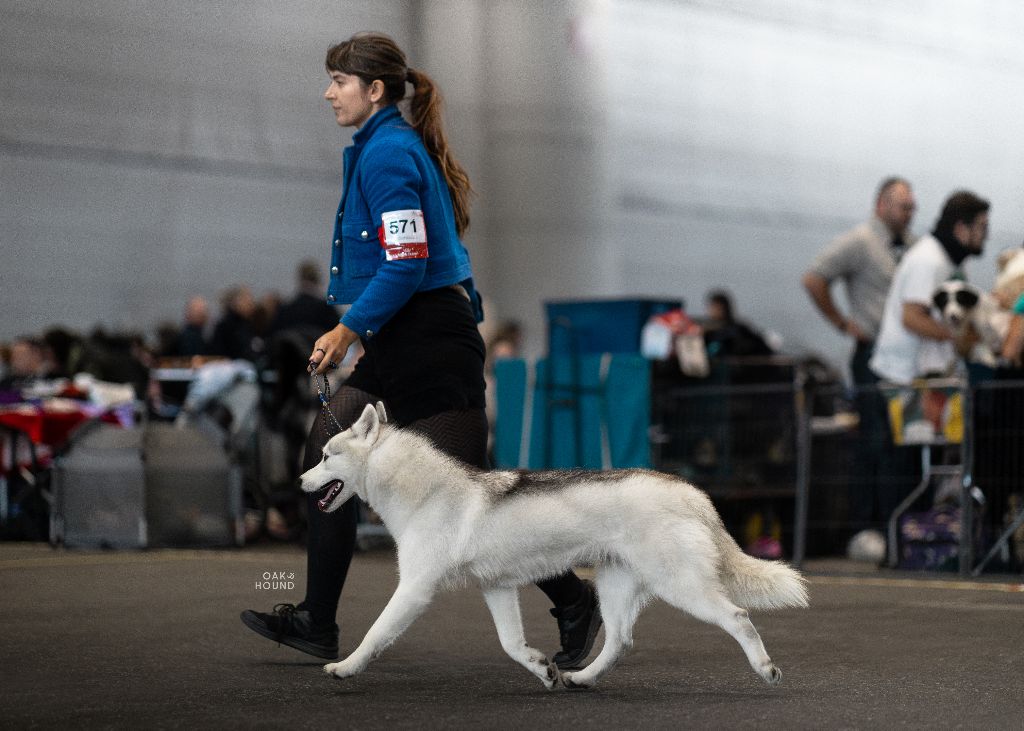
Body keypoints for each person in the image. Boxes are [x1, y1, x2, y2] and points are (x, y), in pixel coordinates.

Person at [241, 32, 600, 670]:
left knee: (474, 508)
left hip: (431, 341)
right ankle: (317, 622)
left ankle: (573, 599)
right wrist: (365, 334)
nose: (327, 93)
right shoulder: (381, 149)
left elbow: (406, 265)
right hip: (400, 338)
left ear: (374, 90)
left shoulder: (386, 156)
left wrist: (347, 330)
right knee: (324, 448)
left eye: (338, 81)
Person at [801, 177, 916, 543]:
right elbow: (814, 278)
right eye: (903, 206)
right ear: (882, 205)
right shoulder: (860, 241)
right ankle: (867, 526)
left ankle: (896, 524)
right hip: (871, 352)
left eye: (912, 207)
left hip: (903, 355)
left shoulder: (912, 246)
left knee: (901, 440)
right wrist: (841, 322)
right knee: (875, 438)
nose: (909, 213)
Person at [870, 191, 989, 385]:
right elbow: (912, 317)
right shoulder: (928, 260)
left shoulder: (950, 259)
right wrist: (960, 338)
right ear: (961, 228)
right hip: (905, 377)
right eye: (982, 227)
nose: (986, 235)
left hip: (926, 374)